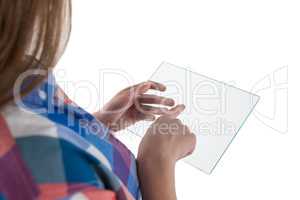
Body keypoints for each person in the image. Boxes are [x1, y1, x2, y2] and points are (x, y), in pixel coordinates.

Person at [0, 1, 196, 200]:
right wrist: (158, 163)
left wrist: (97, 124)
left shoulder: (14, 68)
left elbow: (41, 127)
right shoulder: (35, 185)